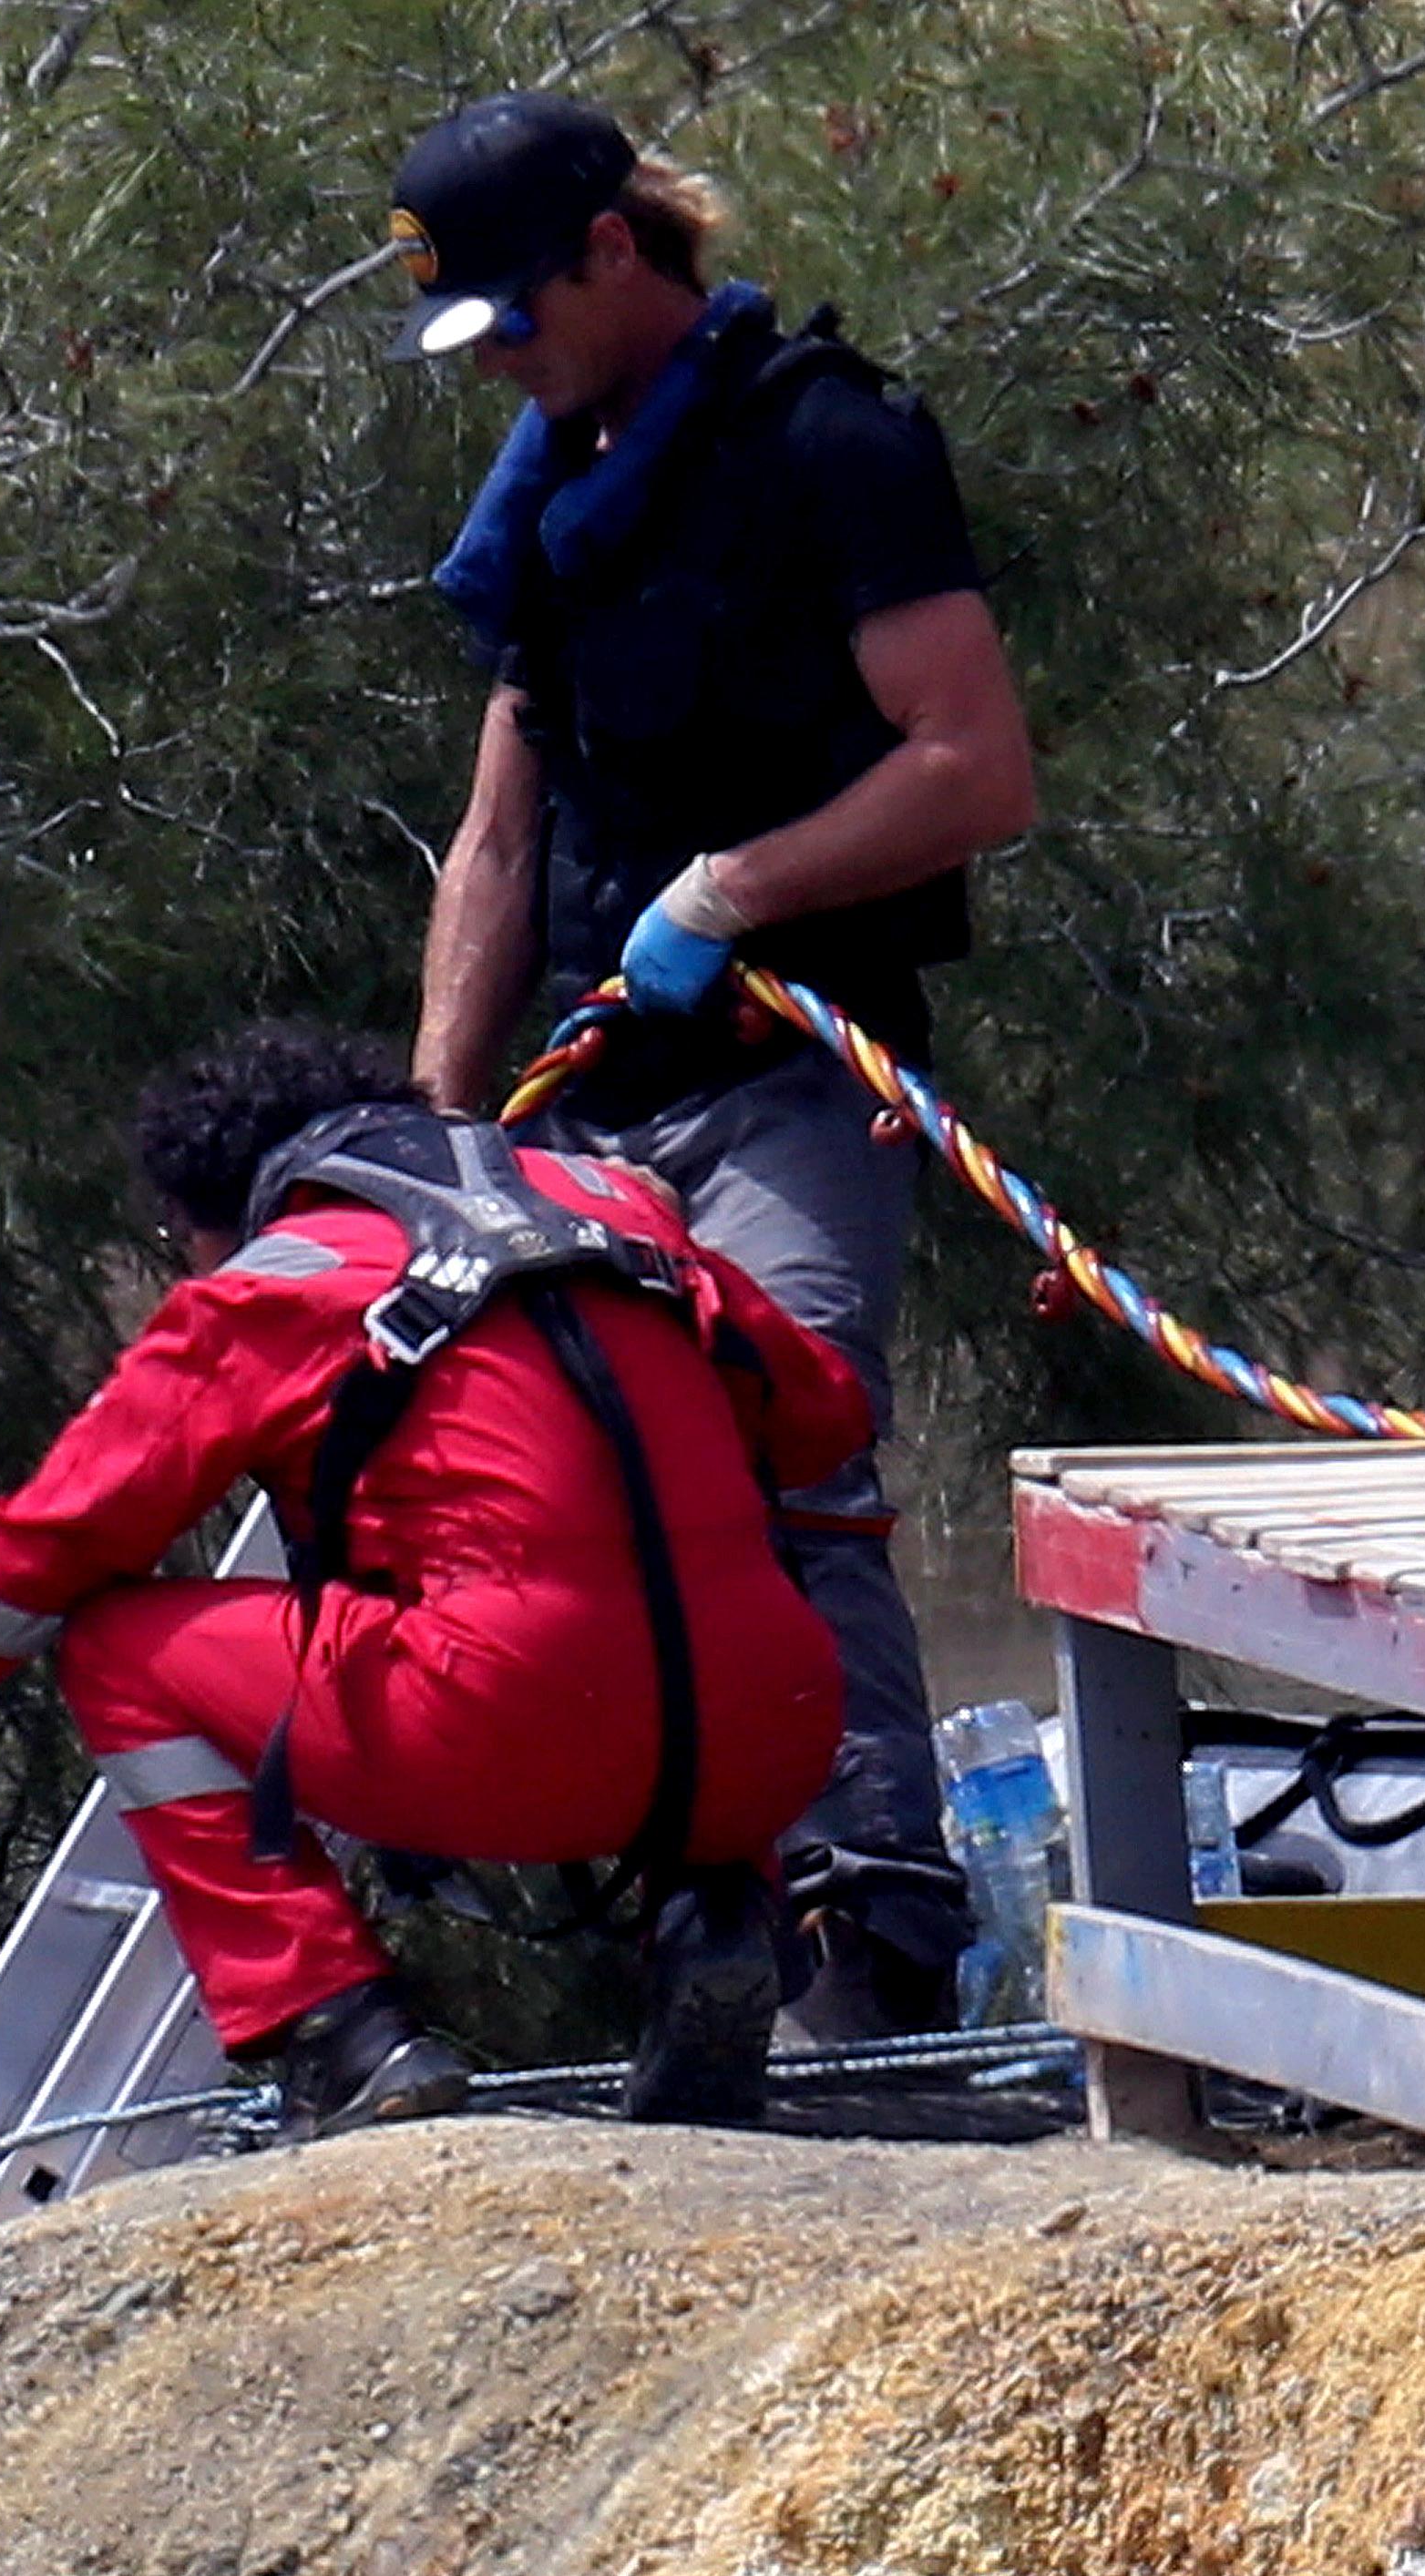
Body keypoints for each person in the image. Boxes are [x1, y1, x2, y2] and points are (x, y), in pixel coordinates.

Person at [0, 1021, 871, 2135]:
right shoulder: (628, 1214)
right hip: (782, 1733)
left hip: (515, 1724)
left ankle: (341, 2035)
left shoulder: (266, 1287)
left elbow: (10, 1571)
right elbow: (820, 1420)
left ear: (212, 1214)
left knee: (116, 1647)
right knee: (691, 1596)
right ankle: (720, 1926)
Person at [387, 90, 1040, 2041]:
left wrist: (735, 890)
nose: (498, 361)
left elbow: (974, 768)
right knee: (568, 1480)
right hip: (586, 1102)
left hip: (788, 1070)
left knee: (793, 1438)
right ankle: (697, 1926)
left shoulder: (833, 444)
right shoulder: (563, 486)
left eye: (515, 315)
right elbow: (501, 836)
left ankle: (878, 1923)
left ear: (612, 251)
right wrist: (436, 1121)